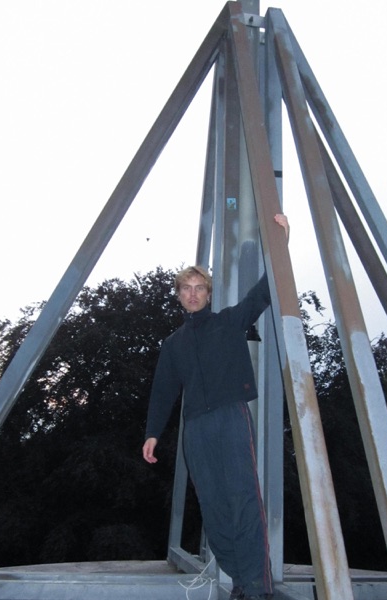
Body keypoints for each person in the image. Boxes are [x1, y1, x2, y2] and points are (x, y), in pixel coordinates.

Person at [143, 214, 289, 600]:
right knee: (214, 508)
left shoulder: (228, 322)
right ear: (179, 295)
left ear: (208, 294)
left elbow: (262, 294)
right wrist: (152, 433)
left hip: (231, 419)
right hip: (196, 429)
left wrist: (281, 244)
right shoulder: (173, 345)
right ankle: (240, 581)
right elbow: (163, 391)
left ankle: (257, 587)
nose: (193, 294)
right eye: (186, 289)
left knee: (243, 498)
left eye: (199, 288)